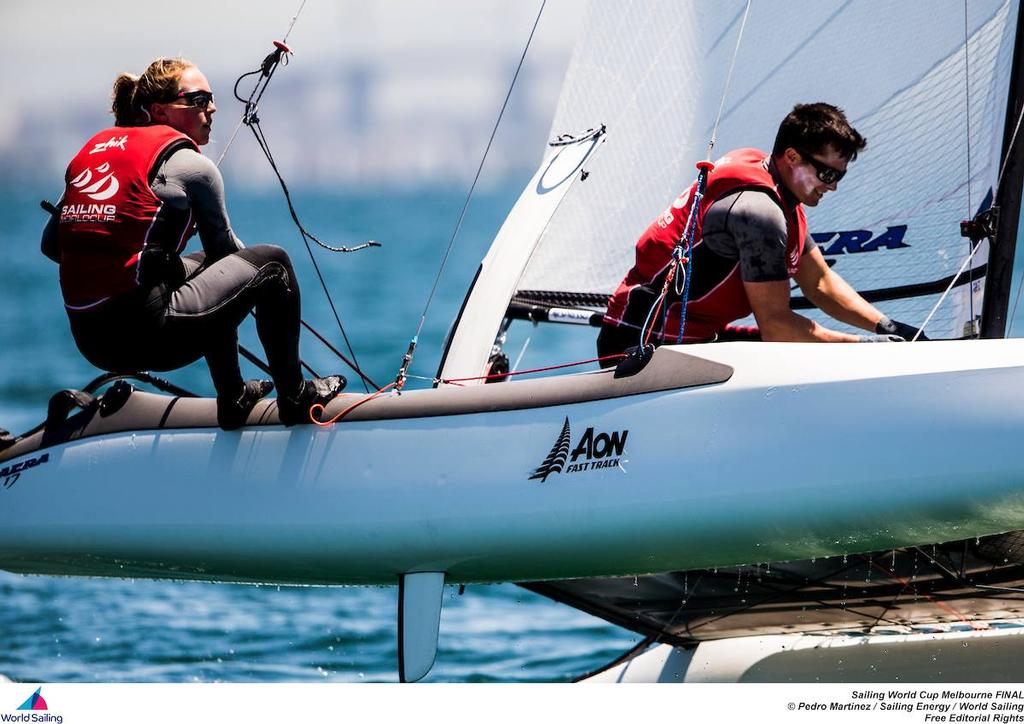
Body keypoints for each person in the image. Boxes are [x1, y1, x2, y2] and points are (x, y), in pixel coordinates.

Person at [41, 58, 345, 428]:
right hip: (148, 334)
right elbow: (228, 256)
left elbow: (52, 246)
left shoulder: (95, 151)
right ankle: (297, 398)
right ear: (159, 110)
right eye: (198, 99)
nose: (212, 108)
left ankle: (233, 397)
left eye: (211, 99)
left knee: (198, 266)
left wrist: (145, 258)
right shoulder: (193, 166)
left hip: (91, 341)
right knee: (274, 264)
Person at [598, 102, 925, 365]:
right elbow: (777, 327)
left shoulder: (779, 189)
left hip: (696, 338)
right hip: (641, 346)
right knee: (814, 361)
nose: (834, 186)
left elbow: (820, 283)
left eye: (840, 175)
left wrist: (890, 328)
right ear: (792, 157)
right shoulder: (758, 212)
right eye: (826, 173)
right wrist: (866, 348)